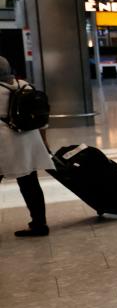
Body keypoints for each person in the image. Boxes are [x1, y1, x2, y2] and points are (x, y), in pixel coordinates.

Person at [0, 57, 54, 237]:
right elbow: (41, 118)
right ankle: (39, 224)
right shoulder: (24, 86)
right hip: (28, 141)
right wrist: (45, 142)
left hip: (5, 144)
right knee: (30, 183)